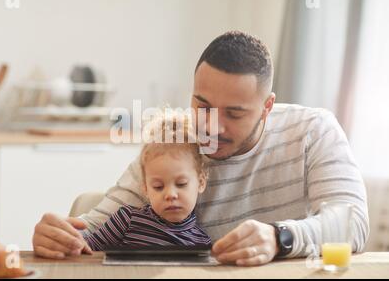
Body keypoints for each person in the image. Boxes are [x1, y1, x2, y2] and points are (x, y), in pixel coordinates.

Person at [33, 31, 369, 266]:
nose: (212, 126)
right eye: (202, 104)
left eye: (235, 113)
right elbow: (93, 226)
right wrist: (58, 235)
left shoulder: (313, 131)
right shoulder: (173, 142)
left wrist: (279, 238)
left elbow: (352, 223)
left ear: (267, 106)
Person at [80, 112, 211, 250]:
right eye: (158, 187)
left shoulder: (202, 241)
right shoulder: (127, 220)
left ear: (201, 182)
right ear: (146, 189)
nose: (171, 194)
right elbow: (88, 248)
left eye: (181, 184)